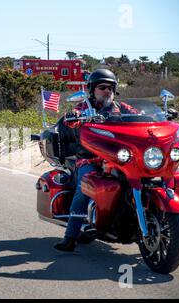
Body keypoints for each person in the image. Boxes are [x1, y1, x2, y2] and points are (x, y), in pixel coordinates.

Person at [54, 69, 139, 252]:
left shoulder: (120, 107)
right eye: (102, 87)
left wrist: (154, 117)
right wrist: (73, 117)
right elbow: (71, 120)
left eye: (110, 88)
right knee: (83, 190)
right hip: (90, 159)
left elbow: (139, 116)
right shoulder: (85, 107)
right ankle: (70, 237)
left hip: (118, 157)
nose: (107, 91)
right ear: (92, 89)